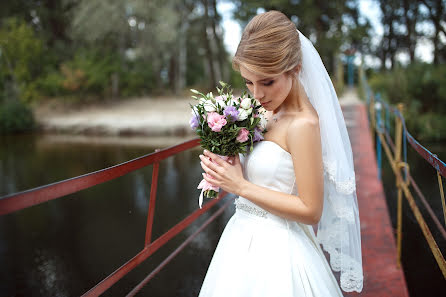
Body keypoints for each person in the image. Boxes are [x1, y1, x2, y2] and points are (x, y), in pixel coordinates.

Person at [198, 10, 363, 297]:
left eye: (267, 82)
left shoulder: (303, 124)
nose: (257, 94)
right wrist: (226, 161)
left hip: (278, 254)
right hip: (240, 239)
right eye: (249, 82)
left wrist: (240, 186)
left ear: (295, 68)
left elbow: (311, 211)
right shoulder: (265, 110)